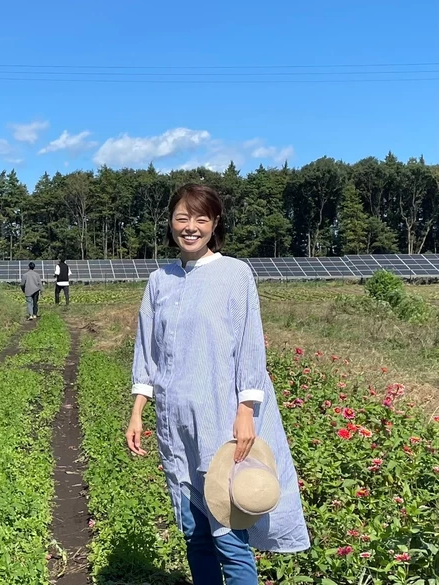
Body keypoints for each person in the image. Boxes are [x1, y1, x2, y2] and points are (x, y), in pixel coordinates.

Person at [125, 184, 309, 585]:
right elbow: (147, 350)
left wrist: (246, 413)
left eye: (201, 218)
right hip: (176, 424)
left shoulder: (234, 274)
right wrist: (138, 411)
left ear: (214, 223)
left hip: (219, 421)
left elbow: (248, 347)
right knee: (195, 533)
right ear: (170, 223)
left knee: (229, 534)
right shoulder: (160, 281)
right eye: (182, 218)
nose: (190, 227)